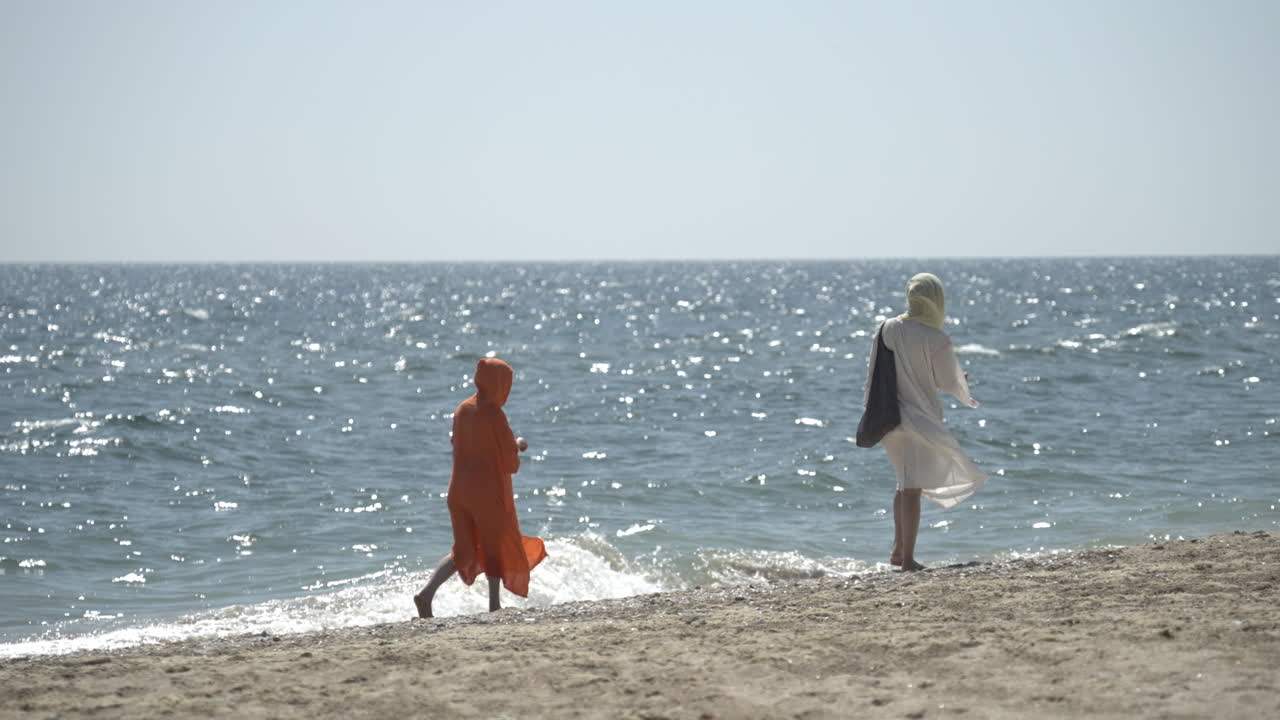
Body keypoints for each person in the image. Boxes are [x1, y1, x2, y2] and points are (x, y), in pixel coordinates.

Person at [865, 273, 987, 571]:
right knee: (911, 488)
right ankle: (907, 560)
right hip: (917, 420)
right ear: (936, 300)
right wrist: (962, 385)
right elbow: (947, 381)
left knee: (905, 483)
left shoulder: (886, 328)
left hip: (887, 418)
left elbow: (877, 373)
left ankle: (897, 549)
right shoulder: (936, 338)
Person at [414, 358, 547, 617]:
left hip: (458, 491)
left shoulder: (462, 408)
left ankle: (426, 594)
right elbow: (509, 457)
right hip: (485, 492)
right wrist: (520, 443)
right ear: (499, 384)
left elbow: (459, 441)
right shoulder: (493, 412)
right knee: (493, 545)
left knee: (462, 550)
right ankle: (494, 605)